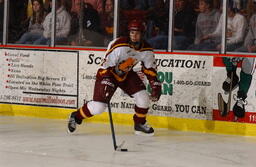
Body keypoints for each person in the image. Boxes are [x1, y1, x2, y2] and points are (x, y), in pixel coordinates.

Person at [67, 19, 162, 136]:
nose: (134, 35)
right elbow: (106, 65)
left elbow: (150, 69)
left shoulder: (146, 50)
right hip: (108, 74)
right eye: (132, 32)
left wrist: (155, 83)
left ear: (142, 34)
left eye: (137, 33)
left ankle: (139, 124)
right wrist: (108, 80)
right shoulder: (119, 44)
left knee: (143, 98)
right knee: (99, 107)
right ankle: (75, 116)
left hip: (127, 74)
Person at [221, 3, 256, 119]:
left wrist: (251, 49)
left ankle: (241, 97)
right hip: (250, 47)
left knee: (249, 62)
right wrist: (244, 50)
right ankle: (232, 75)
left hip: (254, 51)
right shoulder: (253, 17)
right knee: (225, 50)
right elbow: (249, 36)